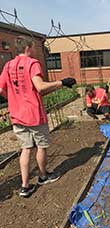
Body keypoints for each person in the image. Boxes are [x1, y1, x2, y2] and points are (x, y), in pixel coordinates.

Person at [0, 35, 76, 197]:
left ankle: (25, 186)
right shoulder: (32, 64)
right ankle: (43, 176)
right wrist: (62, 83)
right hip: (34, 114)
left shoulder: (8, 66)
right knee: (41, 146)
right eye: (34, 47)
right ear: (28, 48)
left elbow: (1, 90)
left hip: (17, 115)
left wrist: (14, 100)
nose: (35, 50)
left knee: (26, 149)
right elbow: (40, 88)